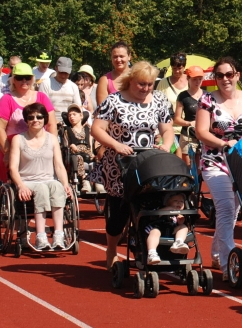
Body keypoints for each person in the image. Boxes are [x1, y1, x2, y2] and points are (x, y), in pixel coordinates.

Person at [91, 61, 174, 266]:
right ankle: (111, 250)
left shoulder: (160, 100)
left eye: (149, 84)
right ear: (131, 81)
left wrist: (166, 144)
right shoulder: (114, 100)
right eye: (141, 84)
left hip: (149, 162)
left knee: (152, 206)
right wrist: (116, 145)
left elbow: (167, 129)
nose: (145, 88)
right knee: (120, 210)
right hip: (120, 163)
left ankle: (151, 247)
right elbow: (97, 129)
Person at [194, 57, 242, 272]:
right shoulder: (207, 100)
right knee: (226, 209)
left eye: (229, 74)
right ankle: (228, 264)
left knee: (234, 211)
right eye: (220, 75)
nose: (225, 79)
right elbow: (201, 131)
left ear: (237, 75)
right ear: (215, 78)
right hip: (215, 161)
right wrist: (224, 144)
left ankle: (217, 254)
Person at [8, 102, 72, 250]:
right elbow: (13, 167)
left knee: (57, 187)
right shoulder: (18, 139)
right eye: (31, 117)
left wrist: (65, 184)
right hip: (27, 181)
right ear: (26, 120)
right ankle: (41, 237)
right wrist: (21, 186)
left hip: (49, 179)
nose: (35, 120)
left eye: (39, 117)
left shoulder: (52, 139)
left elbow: (59, 165)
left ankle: (58, 235)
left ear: (45, 119)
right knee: (42, 189)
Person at [0, 62, 56, 182]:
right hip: (14, 150)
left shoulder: (42, 97)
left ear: (32, 79)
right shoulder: (7, 99)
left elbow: (51, 124)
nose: (24, 81)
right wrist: (7, 152)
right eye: (19, 78)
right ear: (13, 80)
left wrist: (52, 147)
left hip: (40, 148)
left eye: (27, 78)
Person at [146, 192, 190, 265]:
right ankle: (152, 253)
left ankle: (179, 242)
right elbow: (156, 215)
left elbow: (181, 224)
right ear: (167, 202)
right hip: (159, 228)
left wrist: (180, 221)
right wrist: (170, 209)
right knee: (155, 232)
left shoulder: (180, 214)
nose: (179, 203)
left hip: (172, 230)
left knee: (183, 227)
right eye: (175, 201)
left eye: (181, 201)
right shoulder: (162, 209)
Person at [157, 52, 189, 152]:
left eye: (179, 68)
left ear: (184, 67)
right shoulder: (163, 83)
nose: (177, 71)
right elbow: (157, 103)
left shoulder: (191, 81)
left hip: (187, 130)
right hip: (168, 129)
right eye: (174, 68)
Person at [173, 66, 205, 165]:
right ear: (188, 79)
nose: (197, 82)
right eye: (194, 79)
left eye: (200, 79)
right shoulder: (183, 96)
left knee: (202, 166)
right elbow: (177, 119)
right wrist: (189, 123)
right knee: (189, 166)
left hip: (204, 135)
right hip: (188, 135)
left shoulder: (207, 95)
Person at [38, 57, 81, 122]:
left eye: (66, 73)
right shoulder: (45, 84)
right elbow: (42, 107)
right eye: (61, 72)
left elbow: (78, 107)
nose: (63, 76)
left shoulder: (73, 87)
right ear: (56, 68)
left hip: (69, 122)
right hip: (49, 121)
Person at [65, 103, 96, 193]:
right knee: (78, 157)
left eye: (74, 114)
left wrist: (92, 153)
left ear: (81, 116)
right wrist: (71, 145)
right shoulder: (67, 130)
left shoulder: (87, 129)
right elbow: (66, 144)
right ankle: (84, 180)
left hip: (86, 150)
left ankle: (98, 182)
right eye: (70, 115)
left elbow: (90, 143)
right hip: (74, 151)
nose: (71, 117)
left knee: (97, 159)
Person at [95, 41, 131, 106]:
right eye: (115, 57)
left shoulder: (138, 76)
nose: (118, 59)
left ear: (129, 56)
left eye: (121, 56)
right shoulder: (104, 80)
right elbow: (101, 111)